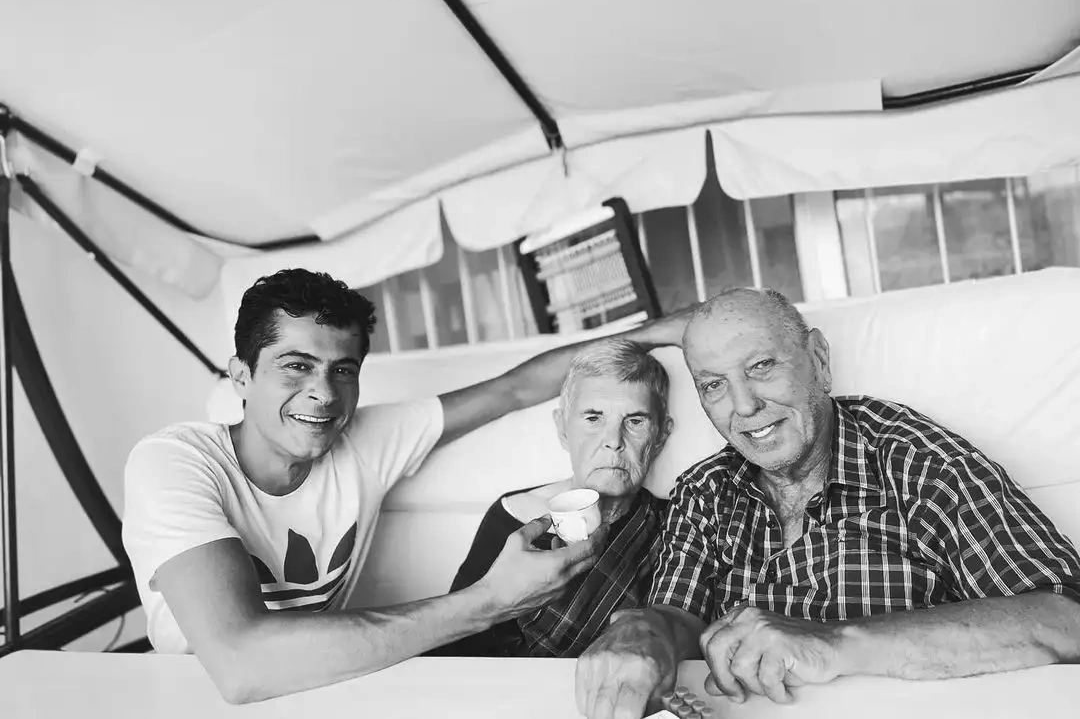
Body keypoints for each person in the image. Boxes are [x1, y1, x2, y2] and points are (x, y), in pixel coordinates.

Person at [121, 268, 688, 703]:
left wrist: (660, 333)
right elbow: (241, 664)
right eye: (295, 366)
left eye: (342, 370)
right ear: (241, 376)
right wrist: (490, 601)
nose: (323, 393)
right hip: (189, 702)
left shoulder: (363, 441)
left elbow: (513, 390)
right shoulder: (173, 463)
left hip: (325, 693)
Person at [575, 287, 1080, 719]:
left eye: (761, 366)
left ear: (818, 359)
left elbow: (1066, 618)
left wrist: (836, 641)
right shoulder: (703, 491)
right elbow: (679, 618)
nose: (744, 405)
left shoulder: (918, 462)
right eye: (714, 385)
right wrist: (645, 631)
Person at [436, 339, 673, 658]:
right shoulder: (516, 519)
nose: (613, 441)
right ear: (562, 429)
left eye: (635, 421)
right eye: (593, 418)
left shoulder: (678, 525)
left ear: (660, 436)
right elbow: (458, 645)